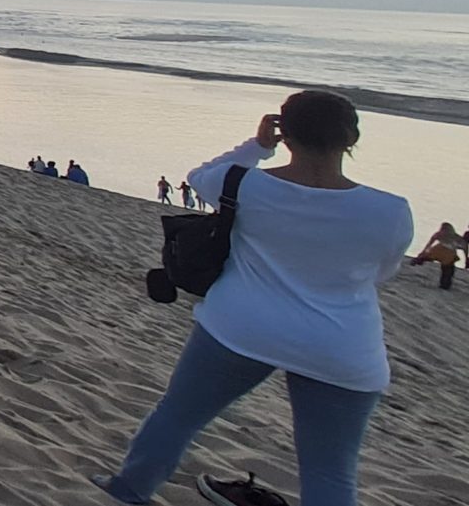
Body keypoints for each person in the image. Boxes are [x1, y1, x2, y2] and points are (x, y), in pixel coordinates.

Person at [92, 92, 414, 506]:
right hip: (339, 345)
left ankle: (130, 490)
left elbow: (200, 174)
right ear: (351, 137)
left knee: (178, 416)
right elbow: (381, 273)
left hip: (240, 326)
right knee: (329, 471)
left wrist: (258, 146)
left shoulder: (244, 184)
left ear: (286, 133)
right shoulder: (390, 211)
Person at [409, 222, 462, 291]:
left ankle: (417, 260)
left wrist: (423, 252)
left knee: (429, 257)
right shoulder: (455, 236)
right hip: (448, 254)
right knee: (447, 269)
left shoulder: (439, 234)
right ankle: (445, 284)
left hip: (438, 251)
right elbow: (464, 247)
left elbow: (429, 244)